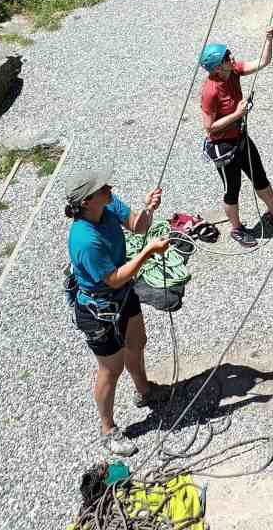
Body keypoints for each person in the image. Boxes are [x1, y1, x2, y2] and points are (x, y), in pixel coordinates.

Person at [65, 169, 171, 457]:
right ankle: (108, 430)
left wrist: (149, 208)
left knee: (137, 343)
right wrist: (148, 252)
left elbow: (137, 226)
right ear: (87, 201)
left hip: (123, 297)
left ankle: (144, 391)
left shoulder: (108, 204)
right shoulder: (84, 239)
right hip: (98, 311)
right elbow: (113, 278)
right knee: (111, 369)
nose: (109, 187)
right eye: (102, 187)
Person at [200, 29, 273, 249]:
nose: (232, 57)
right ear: (217, 67)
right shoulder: (210, 92)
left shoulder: (233, 71)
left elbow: (263, 62)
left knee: (260, 177)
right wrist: (237, 114)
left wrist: (269, 40)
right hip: (224, 146)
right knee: (232, 188)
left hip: (241, 138)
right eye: (227, 57)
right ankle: (236, 228)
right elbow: (209, 127)